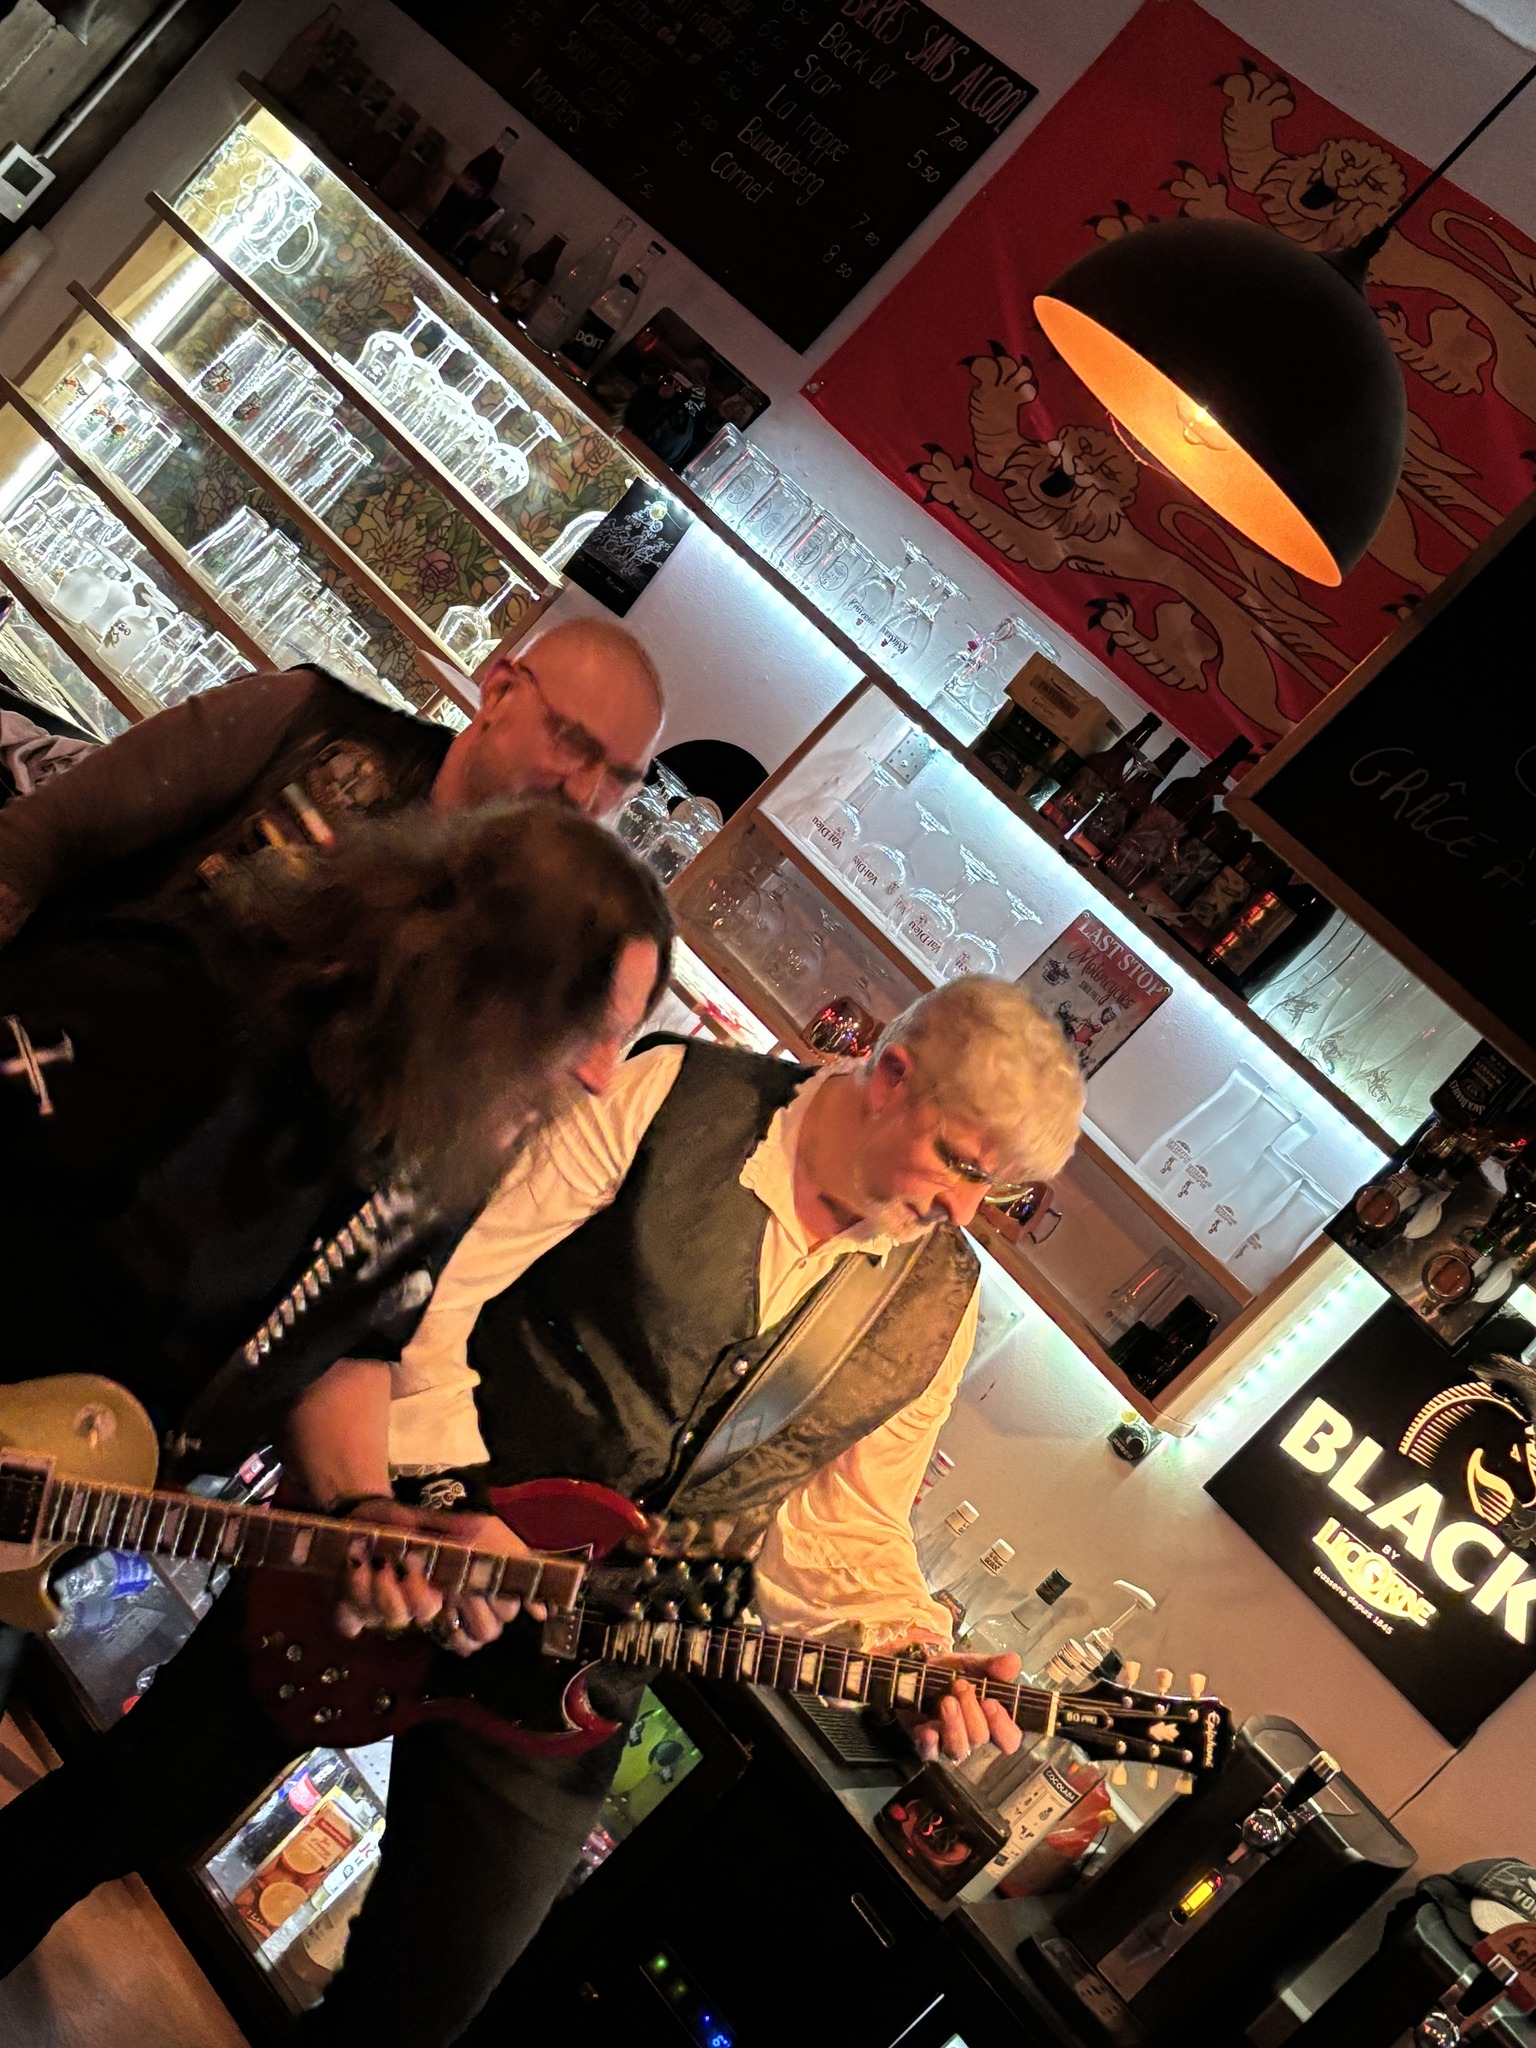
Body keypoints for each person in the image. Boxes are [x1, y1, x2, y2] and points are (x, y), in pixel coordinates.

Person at [0, 978, 1084, 2046]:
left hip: (571, 1675)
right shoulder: (673, 1093)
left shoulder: (937, 1300)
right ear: (890, 1075)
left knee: (415, 2011)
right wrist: (446, 1499)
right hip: (397, 1549)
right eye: (962, 1162)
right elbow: (438, 1290)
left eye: (995, 1190)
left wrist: (912, 1656)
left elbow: (845, 1531)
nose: (963, 1209)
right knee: (124, 1808)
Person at [0, 797, 672, 1446]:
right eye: (587, 1029)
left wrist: (359, 1503)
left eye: (623, 1039)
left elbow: (352, 1347)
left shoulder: (440, 1143)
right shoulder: (176, 1002)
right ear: (483, 985)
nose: (601, 1076)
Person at [0, 615, 665, 947]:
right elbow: (33, 844)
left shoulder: (511, 935)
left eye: (618, 780)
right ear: (498, 693)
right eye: (572, 743)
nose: (584, 794)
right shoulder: (302, 720)